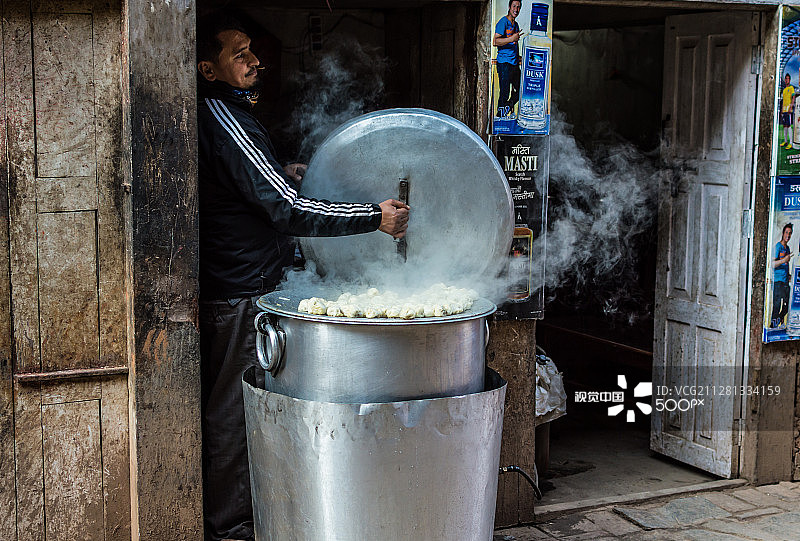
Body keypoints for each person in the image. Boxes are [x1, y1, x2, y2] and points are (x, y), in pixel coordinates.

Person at [196, 15, 409, 541]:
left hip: (247, 282)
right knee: (235, 411)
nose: (254, 61)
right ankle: (231, 530)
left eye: (252, 50)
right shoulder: (222, 115)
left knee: (245, 405)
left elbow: (258, 188)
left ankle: (253, 520)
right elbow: (285, 209)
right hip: (242, 290)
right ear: (208, 69)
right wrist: (373, 217)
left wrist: (283, 172)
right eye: (239, 54)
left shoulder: (231, 114)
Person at [493, 0, 522, 118]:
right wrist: (511, 39)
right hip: (504, 63)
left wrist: (518, 56)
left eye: (518, 7)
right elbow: (495, 41)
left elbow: (515, 44)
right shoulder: (503, 22)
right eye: (514, 6)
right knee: (504, 93)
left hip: (514, 63)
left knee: (521, 89)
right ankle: (500, 117)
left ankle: (508, 106)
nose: (516, 9)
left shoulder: (516, 25)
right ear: (509, 7)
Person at [772, 223, 793, 328]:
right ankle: (773, 325)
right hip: (777, 281)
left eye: (790, 233)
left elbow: (785, 265)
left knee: (787, 304)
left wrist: (789, 275)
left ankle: (779, 321)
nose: (788, 235)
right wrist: (784, 260)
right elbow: (772, 264)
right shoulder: (778, 246)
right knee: (777, 305)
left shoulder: (787, 248)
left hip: (785, 281)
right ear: (783, 233)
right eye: (786, 232)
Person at [781, 74, 795, 150]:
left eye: (788, 79)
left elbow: (793, 98)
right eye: (786, 79)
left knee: (789, 126)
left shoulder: (791, 88)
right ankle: (785, 141)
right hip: (784, 110)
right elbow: (783, 100)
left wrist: (791, 107)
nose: (786, 80)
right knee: (785, 125)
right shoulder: (784, 90)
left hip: (789, 110)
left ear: (790, 80)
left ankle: (791, 143)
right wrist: (782, 110)